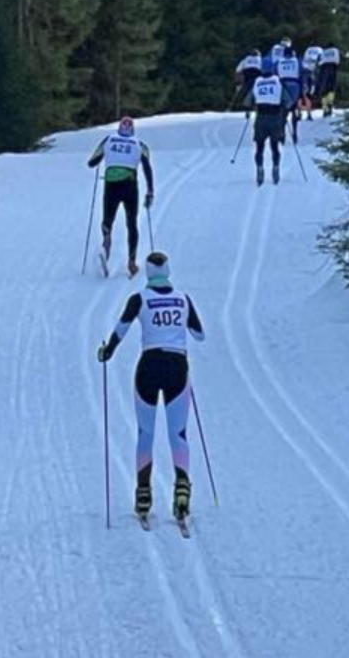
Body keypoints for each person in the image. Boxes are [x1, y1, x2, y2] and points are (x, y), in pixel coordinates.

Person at [98, 251, 205, 523]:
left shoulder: (139, 299)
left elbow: (121, 329)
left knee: (146, 432)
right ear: (168, 271)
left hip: (148, 366)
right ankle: (182, 491)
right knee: (178, 433)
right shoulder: (183, 299)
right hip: (177, 366)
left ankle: (143, 495)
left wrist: (107, 351)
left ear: (147, 272)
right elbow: (199, 334)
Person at [87, 117, 154, 278]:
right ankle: (132, 262)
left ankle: (106, 242)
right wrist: (150, 191)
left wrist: (104, 159)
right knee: (131, 222)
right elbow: (147, 168)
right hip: (130, 185)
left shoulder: (108, 140)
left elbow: (92, 162)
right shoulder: (140, 144)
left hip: (111, 184)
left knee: (108, 218)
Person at [251, 60, 285, 186]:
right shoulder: (277, 80)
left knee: (259, 147)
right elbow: (286, 99)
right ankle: (276, 167)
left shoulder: (257, 81)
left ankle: (259, 168)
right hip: (275, 117)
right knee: (274, 146)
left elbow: (249, 100)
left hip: (261, 117)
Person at [276, 46, 303, 143]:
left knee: (283, 111)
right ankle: (295, 133)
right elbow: (301, 75)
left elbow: (275, 74)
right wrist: (302, 93)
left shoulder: (279, 61)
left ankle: (282, 134)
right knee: (294, 110)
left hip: (283, 86)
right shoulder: (297, 61)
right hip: (294, 85)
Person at [235, 49, 263, 118]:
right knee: (257, 95)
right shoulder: (260, 59)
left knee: (247, 95)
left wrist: (238, 83)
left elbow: (237, 70)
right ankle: (257, 110)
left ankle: (247, 110)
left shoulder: (245, 59)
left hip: (248, 80)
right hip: (257, 80)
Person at [317, 45, 342, 117]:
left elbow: (318, 62)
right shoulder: (335, 50)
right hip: (333, 70)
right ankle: (330, 108)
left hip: (323, 70)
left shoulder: (323, 52)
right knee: (331, 90)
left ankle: (325, 109)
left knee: (323, 91)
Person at [301, 45, 324, 120]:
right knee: (312, 92)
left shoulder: (308, 49)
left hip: (305, 71)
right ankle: (311, 110)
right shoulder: (320, 50)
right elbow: (321, 62)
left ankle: (307, 112)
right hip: (313, 72)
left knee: (305, 92)